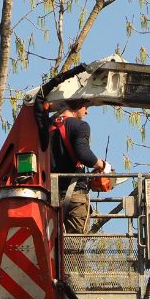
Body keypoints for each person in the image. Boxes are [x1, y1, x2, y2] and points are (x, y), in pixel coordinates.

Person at [49, 100, 110, 234]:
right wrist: (103, 165)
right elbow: (84, 155)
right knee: (74, 246)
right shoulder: (80, 126)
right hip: (74, 196)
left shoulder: (47, 127)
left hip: (49, 196)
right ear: (76, 105)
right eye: (86, 107)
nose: (86, 111)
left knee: (51, 243)